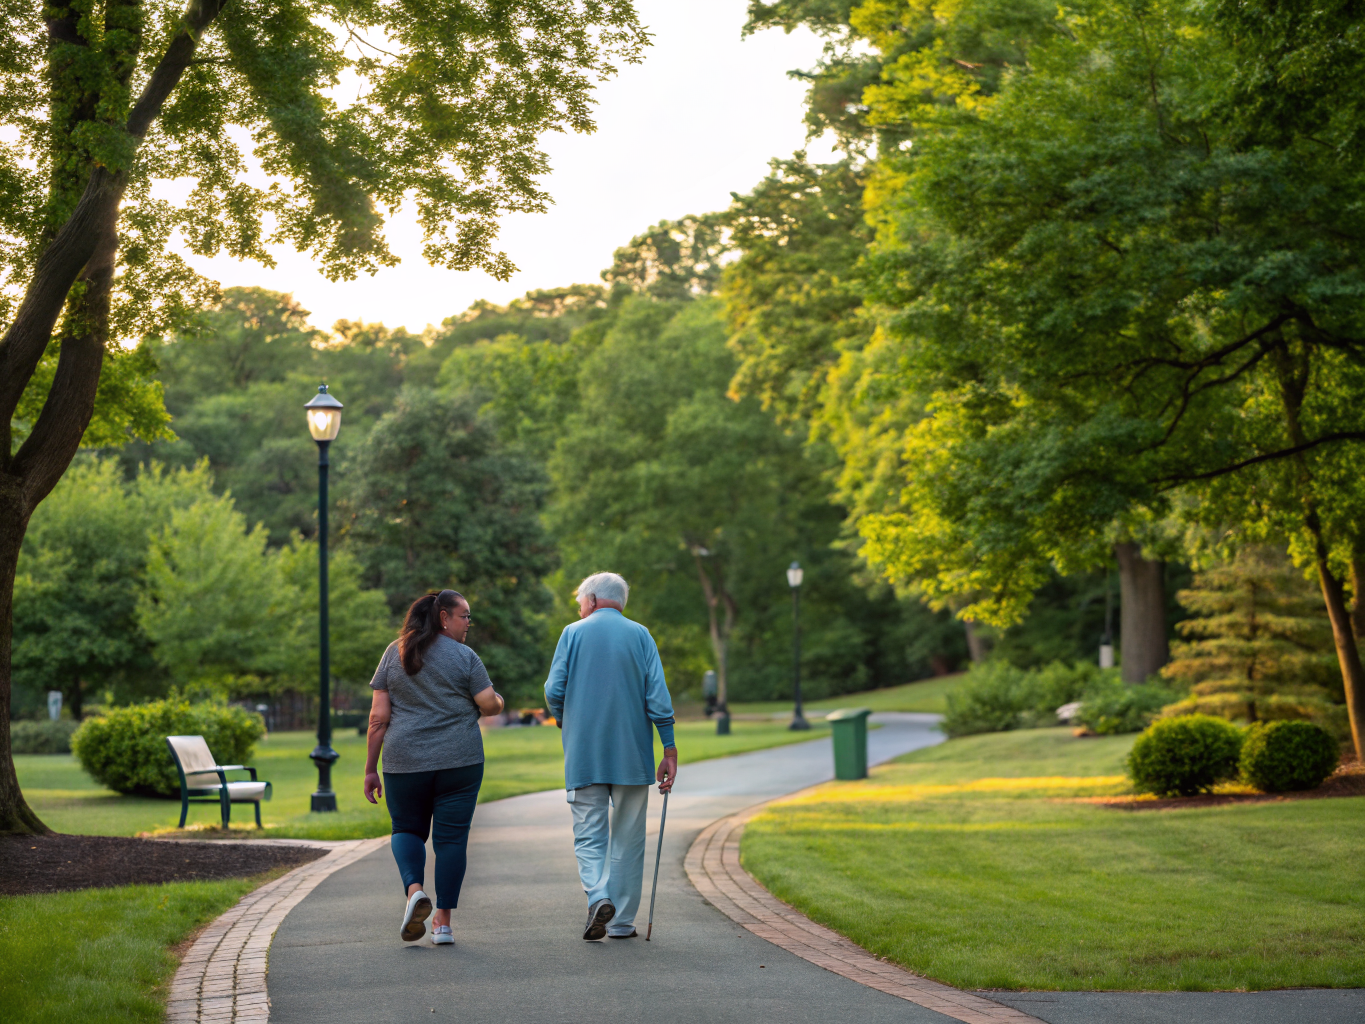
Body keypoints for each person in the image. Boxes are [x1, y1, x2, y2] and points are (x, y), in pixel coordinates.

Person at [363, 589, 505, 945]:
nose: (469, 623)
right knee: (451, 839)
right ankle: (442, 924)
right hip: (460, 762)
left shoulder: (395, 653)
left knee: (407, 831)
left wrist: (370, 768)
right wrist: (499, 700)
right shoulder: (465, 657)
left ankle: (414, 892)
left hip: (404, 762)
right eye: (464, 616)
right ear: (444, 617)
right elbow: (489, 705)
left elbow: (378, 718)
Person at [544, 572, 677, 940]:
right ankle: (621, 922)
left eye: (579, 603)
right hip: (632, 755)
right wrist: (668, 748)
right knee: (629, 839)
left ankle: (599, 896)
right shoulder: (641, 634)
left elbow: (554, 689)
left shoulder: (572, 633)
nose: (579, 609)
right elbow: (658, 700)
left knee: (588, 835)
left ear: (591, 600)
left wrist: (563, 718)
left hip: (584, 754)